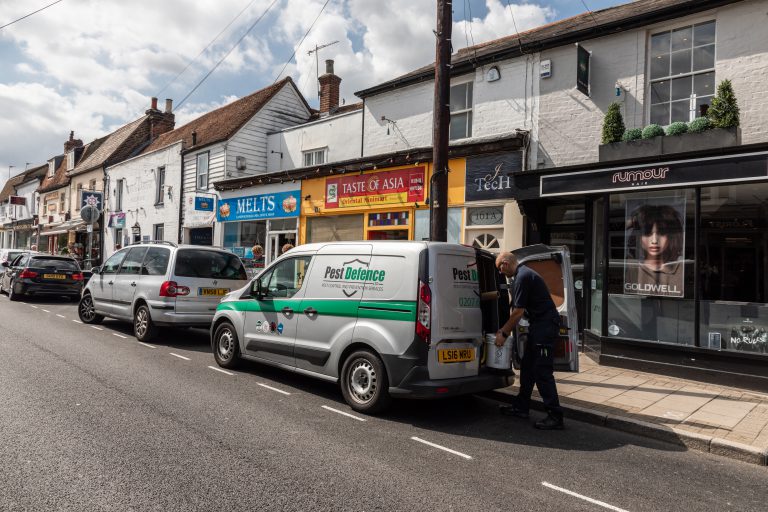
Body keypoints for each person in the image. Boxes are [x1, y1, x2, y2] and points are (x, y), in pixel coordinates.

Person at [495, 251, 564, 430]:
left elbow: (518, 311)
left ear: (505, 263)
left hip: (545, 327)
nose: (500, 273)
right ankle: (521, 407)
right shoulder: (523, 274)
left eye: (499, 269)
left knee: (542, 372)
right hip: (539, 326)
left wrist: (503, 333)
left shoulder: (522, 277)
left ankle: (555, 416)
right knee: (527, 368)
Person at [624, 204, 684, 297]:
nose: (654, 241)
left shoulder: (680, 269)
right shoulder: (633, 268)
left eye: (661, 233)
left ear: (670, 237)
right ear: (639, 237)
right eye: (647, 234)